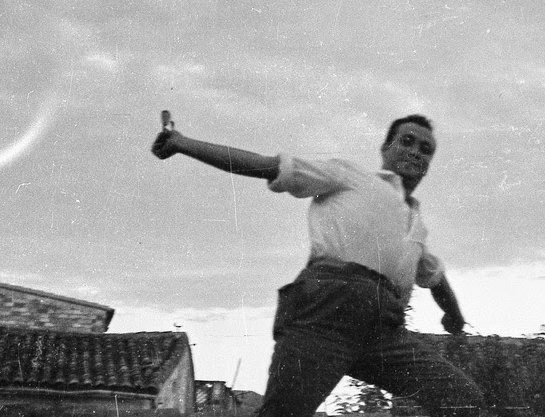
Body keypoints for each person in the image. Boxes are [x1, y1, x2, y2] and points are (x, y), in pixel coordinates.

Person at [151, 114, 485, 417]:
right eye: (407, 141)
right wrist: (181, 143)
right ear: (386, 148)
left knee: (462, 397)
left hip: (384, 330)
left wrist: (454, 316)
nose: (415, 152)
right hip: (327, 311)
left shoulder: (415, 224)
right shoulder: (351, 176)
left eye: (425, 150)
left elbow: (435, 277)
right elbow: (266, 166)